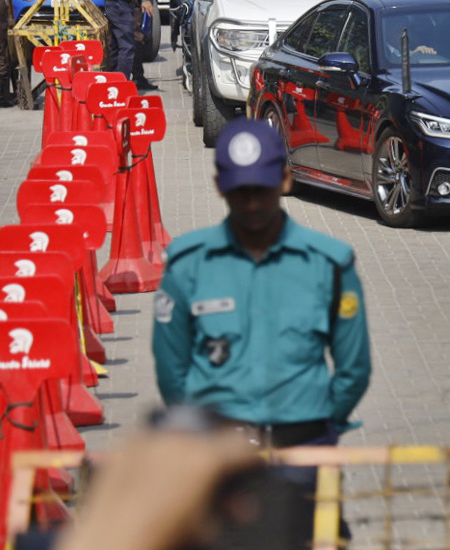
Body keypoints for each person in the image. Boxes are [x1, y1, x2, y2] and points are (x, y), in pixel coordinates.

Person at [153, 118, 372, 456]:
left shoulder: (328, 265)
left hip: (303, 445)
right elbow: (171, 369)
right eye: (241, 192)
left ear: (285, 180)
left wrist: (320, 423)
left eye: (261, 189)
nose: (252, 203)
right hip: (215, 452)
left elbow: (354, 368)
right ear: (219, 186)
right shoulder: (188, 267)